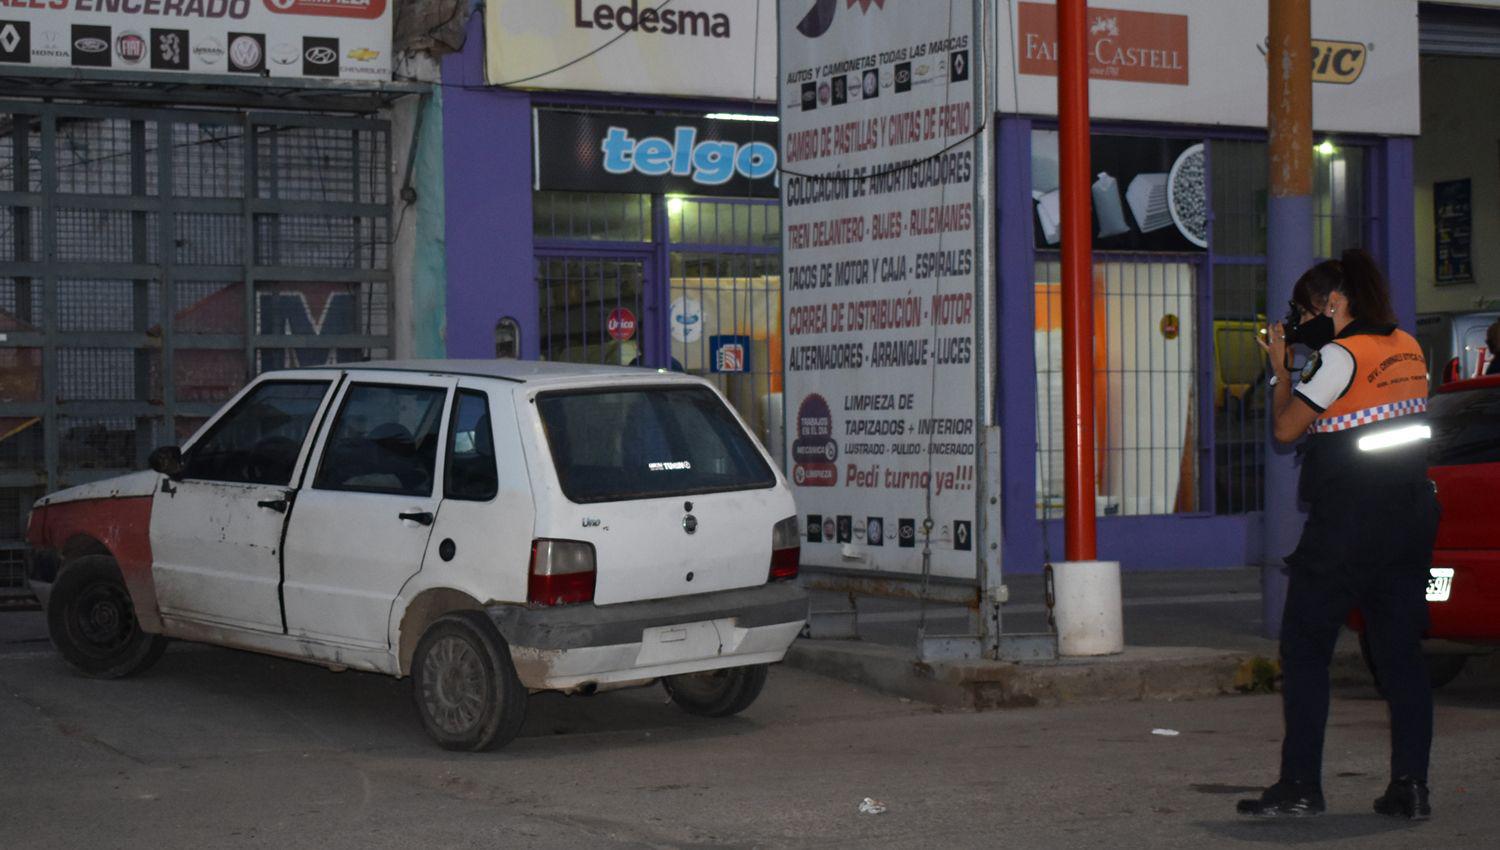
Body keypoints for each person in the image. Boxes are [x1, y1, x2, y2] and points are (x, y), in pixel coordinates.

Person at [1238, 248, 1441, 820]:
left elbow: (1285, 429)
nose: (1300, 322)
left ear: (1335, 302)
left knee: (1304, 649)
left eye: (1305, 311)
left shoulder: (1336, 358)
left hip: (1349, 525)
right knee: (1400, 654)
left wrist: (1281, 369)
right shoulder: (1408, 345)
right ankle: (1411, 786)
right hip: (1409, 523)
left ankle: (1300, 785)